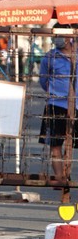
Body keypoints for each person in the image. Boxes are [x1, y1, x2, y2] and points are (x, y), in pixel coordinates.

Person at [38, 28, 78, 187]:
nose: (58, 38)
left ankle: (67, 175)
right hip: (55, 105)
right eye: (55, 35)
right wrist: (56, 91)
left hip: (76, 106)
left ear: (70, 36)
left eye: (60, 35)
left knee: (71, 143)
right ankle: (60, 178)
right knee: (55, 145)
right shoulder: (50, 57)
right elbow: (43, 80)